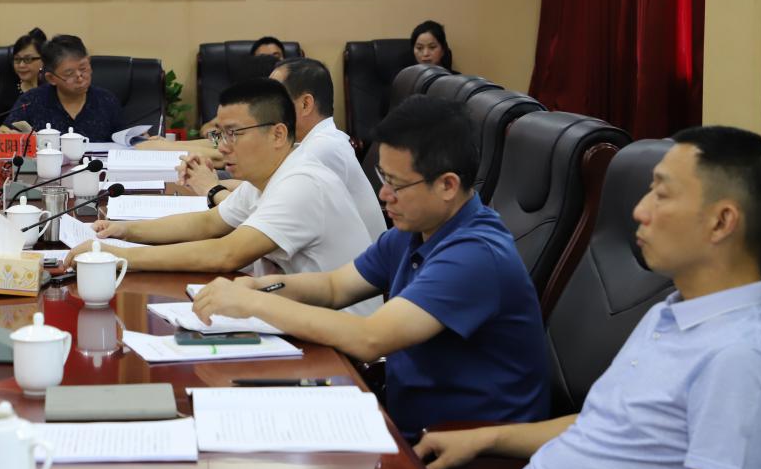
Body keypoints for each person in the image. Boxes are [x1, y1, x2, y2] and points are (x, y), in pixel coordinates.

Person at [413, 127, 761, 469]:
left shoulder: (740, 357)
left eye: (661, 194)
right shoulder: (672, 310)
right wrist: (485, 440)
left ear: (722, 222)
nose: (639, 210)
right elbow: (604, 423)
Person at [192, 95, 548, 434]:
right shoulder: (416, 229)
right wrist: (258, 287)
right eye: (382, 178)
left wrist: (255, 303)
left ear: (447, 185)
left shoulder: (474, 255)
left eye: (396, 184)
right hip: (402, 416)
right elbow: (334, 287)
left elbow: (370, 338)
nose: (383, 195)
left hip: (460, 445)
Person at [63, 78, 371, 276]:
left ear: (278, 134)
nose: (223, 146)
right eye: (220, 134)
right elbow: (207, 223)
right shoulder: (267, 176)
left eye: (234, 133)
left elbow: (226, 254)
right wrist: (125, 230)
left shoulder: (302, 183)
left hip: (339, 343)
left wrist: (116, 256)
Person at [179, 57, 387, 243]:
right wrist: (209, 181)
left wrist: (212, 188)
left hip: (355, 271)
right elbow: (255, 191)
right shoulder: (305, 142)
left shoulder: (324, 148)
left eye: (276, 96)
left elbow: (259, 211)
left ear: (305, 104)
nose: (267, 103)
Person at [5, 35, 124, 142]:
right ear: (51, 78)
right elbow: (2, 134)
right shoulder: (31, 101)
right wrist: (13, 138)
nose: (80, 77)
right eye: (69, 73)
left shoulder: (107, 101)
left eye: (83, 68)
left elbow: (126, 141)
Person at [9, 28, 47, 99]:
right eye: (17, 59)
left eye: (28, 59)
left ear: (43, 60)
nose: (21, 65)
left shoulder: (53, 90)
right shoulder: (7, 93)